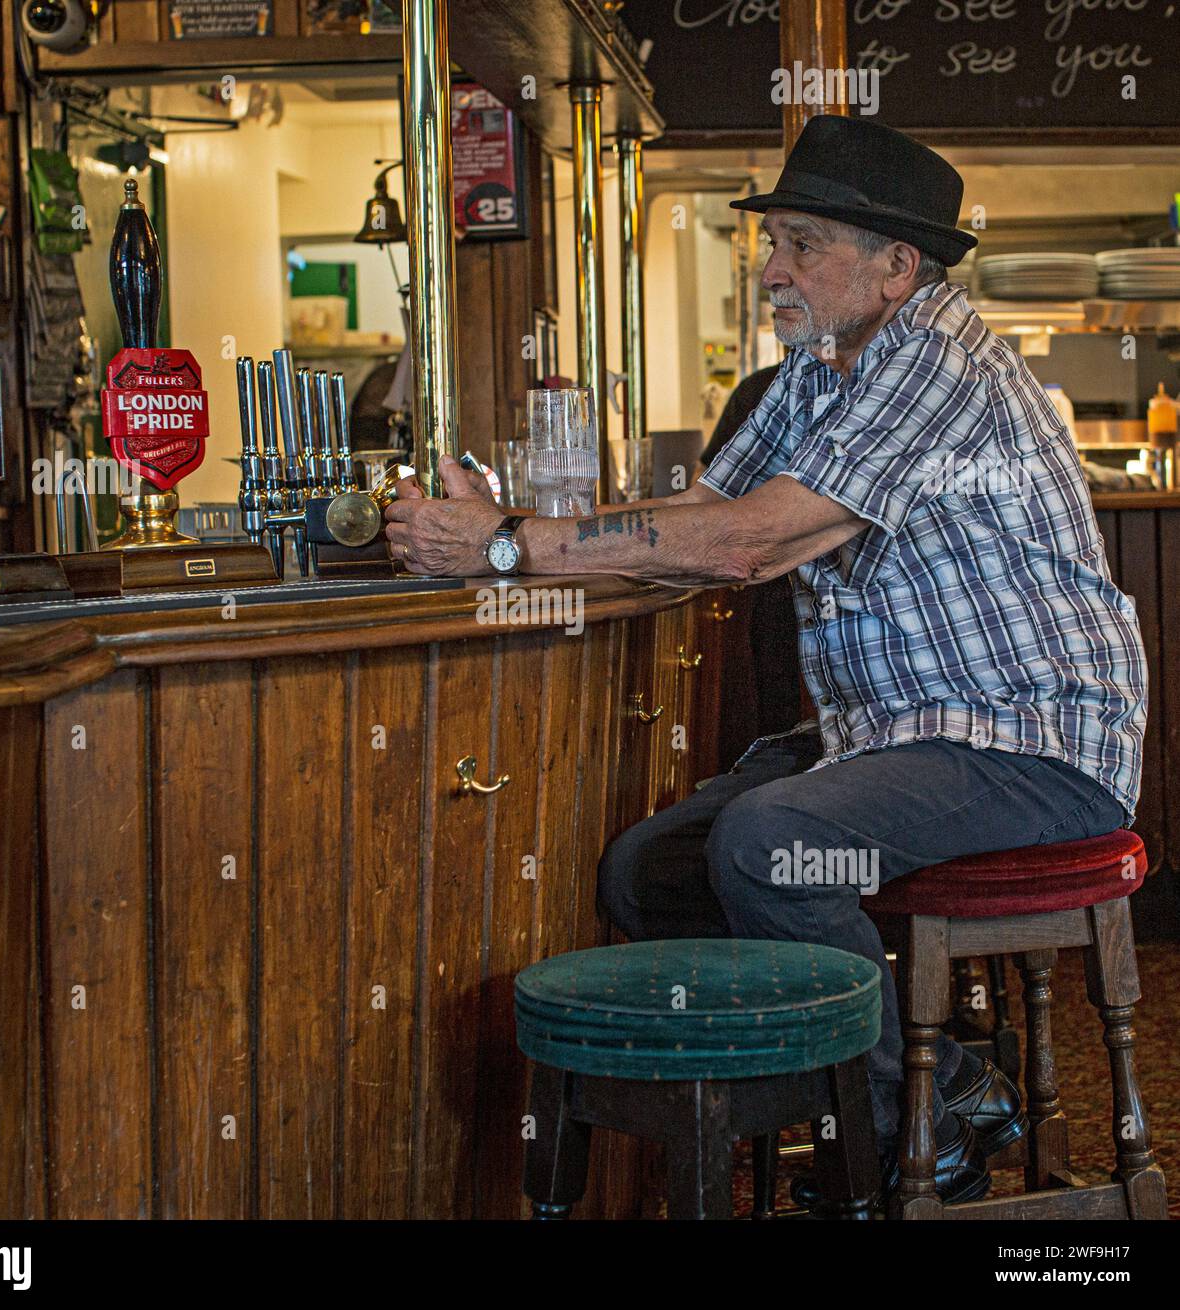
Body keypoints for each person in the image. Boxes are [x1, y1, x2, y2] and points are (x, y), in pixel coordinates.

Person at [384, 114, 1147, 1205]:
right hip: (897, 730)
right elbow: (699, 525)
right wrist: (496, 549)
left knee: (772, 843)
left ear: (897, 265)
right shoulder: (815, 371)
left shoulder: (934, 357)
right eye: (769, 242)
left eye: (800, 243)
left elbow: (749, 541)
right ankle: (932, 1087)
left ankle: (900, 1124)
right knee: (649, 869)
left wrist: (510, 542)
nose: (770, 270)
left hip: (1031, 736)